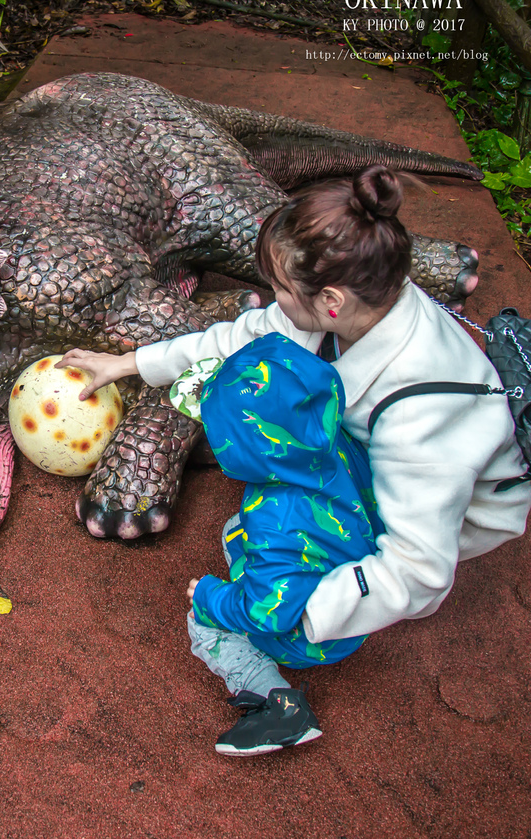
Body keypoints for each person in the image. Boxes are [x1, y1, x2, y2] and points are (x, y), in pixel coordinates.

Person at [57, 165, 531, 746]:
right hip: (374, 452)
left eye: (282, 289)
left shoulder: (419, 414)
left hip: (455, 506)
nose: (273, 301)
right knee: (260, 520)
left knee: (280, 540)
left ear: (329, 301)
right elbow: (246, 334)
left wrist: (299, 611)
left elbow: (422, 571)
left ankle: (281, 672)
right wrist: (130, 364)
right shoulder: (355, 303)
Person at [179, 331, 383, 756]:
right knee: (234, 529)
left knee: (204, 622)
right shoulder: (335, 440)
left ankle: (279, 703)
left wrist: (211, 596)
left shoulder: (274, 515)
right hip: (367, 580)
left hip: (320, 633)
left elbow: (266, 612)